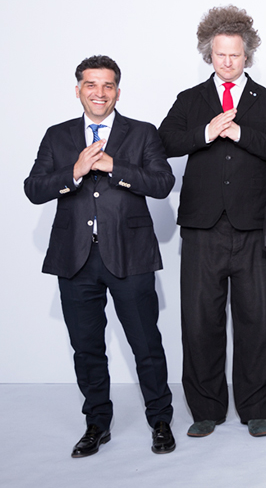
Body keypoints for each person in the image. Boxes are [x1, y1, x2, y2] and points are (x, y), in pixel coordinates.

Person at [24, 55, 176, 457]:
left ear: (118, 92)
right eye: (91, 84)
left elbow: (162, 183)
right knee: (87, 348)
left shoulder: (142, 133)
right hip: (75, 259)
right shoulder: (57, 136)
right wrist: (74, 172)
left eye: (108, 85)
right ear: (78, 90)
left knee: (146, 344)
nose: (99, 92)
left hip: (131, 256)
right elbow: (34, 188)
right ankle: (96, 424)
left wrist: (114, 166)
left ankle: (160, 420)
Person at [158, 5, 266, 438]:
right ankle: (206, 409)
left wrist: (239, 133)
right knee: (201, 320)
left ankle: (257, 409)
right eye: (220, 55)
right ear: (208, 54)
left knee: (258, 319)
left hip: (253, 226)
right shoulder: (190, 99)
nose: (228, 62)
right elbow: (164, 141)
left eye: (235, 55)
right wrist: (206, 133)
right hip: (202, 227)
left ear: (247, 54)